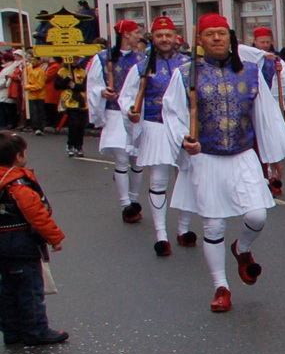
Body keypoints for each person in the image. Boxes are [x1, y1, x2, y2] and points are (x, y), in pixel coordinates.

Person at [164, 16, 285, 313]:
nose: (216, 39)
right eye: (209, 34)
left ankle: (243, 248)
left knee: (257, 215)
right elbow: (172, 112)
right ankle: (221, 286)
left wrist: (272, 156)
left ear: (230, 36)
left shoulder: (249, 72)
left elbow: (265, 114)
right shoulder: (186, 74)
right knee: (212, 224)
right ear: (200, 40)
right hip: (206, 157)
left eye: (221, 33)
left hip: (243, 155)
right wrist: (185, 139)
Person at [119, 17, 191, 256]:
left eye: (168, 35)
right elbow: (127, 96)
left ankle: (184, 228)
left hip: (183, 127)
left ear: (175, 37)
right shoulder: (141, 66)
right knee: (158, 180)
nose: (164, 39)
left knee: (186, 177)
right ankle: (161, 233)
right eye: (159, 35)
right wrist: (130, 111)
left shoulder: (189, 65)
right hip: (156, 125)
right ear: (153, 37)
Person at [0, 133, 67, 345]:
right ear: (18, 157)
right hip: (20, 244)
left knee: (7, 291)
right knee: (29, 290)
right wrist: (54, 238)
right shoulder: (18, 184)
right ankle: (36, 330)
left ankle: (11, 332)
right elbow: (36, 214)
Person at [97, 21, 147, 218]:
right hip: (115, 113)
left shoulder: (142, 59)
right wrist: (103, 91)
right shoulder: (104, 58)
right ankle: (125, 203)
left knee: (137, 159)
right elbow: (93, 83)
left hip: (135, 113)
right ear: (125, 34)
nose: (138, 36)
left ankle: (134, 198)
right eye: (135, 33)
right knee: (121, 158)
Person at [54, 52, 89, 157]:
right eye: (73, 59)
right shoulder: (62, 71)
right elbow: (57, 86)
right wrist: (66, 80)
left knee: (81, 126)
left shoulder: (83, 72)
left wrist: (76, 86)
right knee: (73, 125)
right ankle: (70, 145)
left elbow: (86, 86)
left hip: (81, 101)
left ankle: (79, 146)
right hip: (69, 101)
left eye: (76, 59)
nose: (75, 61)